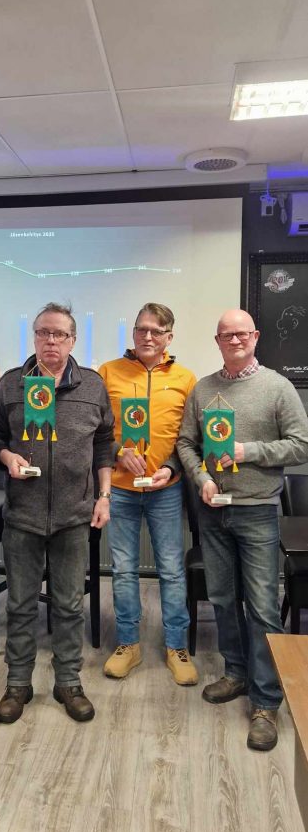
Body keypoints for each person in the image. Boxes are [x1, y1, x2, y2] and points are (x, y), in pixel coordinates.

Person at [177, 308, 308, 751]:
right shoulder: (203, 389)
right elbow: (186, 443)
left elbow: (301, 445)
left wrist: (246, 451)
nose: (234, 340)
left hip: (257, 512)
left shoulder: (278, 387)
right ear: (217, 341)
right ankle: (235, 673)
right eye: (226, 335)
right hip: (213, 511)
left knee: (264, 608)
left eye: (241, 334)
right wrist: (202, 478)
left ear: (255, 337)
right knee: (222, 598)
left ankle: (266, 701)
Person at [0, 302, 114, 723]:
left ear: (73, 340)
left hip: (74, 516)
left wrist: (104, 495)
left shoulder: (93, 386)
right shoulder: (11, 384)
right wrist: (6, 457)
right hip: (22, 515)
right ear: (34, 337)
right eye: (43, 332)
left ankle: (68, 682)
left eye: (59, 334)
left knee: (68, 605)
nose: (50, 341)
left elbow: (104, 443)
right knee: (20, 605)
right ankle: (18, 684)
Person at [99, 302, 198, 685]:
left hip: (166, 489)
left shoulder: (186, 379)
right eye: (141, 329)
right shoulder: (108, 372)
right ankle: (129, 644)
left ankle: (176, 646)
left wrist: (171, 467)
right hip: (121, 489)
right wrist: (116, 453)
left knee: (171, 570)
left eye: (156, 331)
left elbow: (190, 436)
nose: (148, 336)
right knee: (123, 570)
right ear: (133, 333)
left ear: (169, 337)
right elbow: (96, 430)